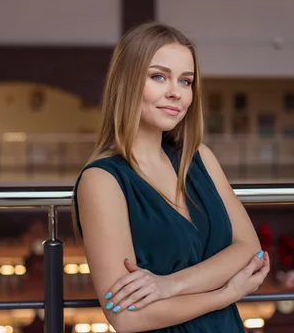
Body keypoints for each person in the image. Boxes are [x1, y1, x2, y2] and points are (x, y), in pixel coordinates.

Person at [72, 21, 270, 333]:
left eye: (186, 81)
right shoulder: (103, 180)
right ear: (127, 82)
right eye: (159, 76)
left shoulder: (199, 158)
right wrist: (225, 294)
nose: (175, 93)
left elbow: (250, 250)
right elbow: (125, 316)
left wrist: (169, 285)